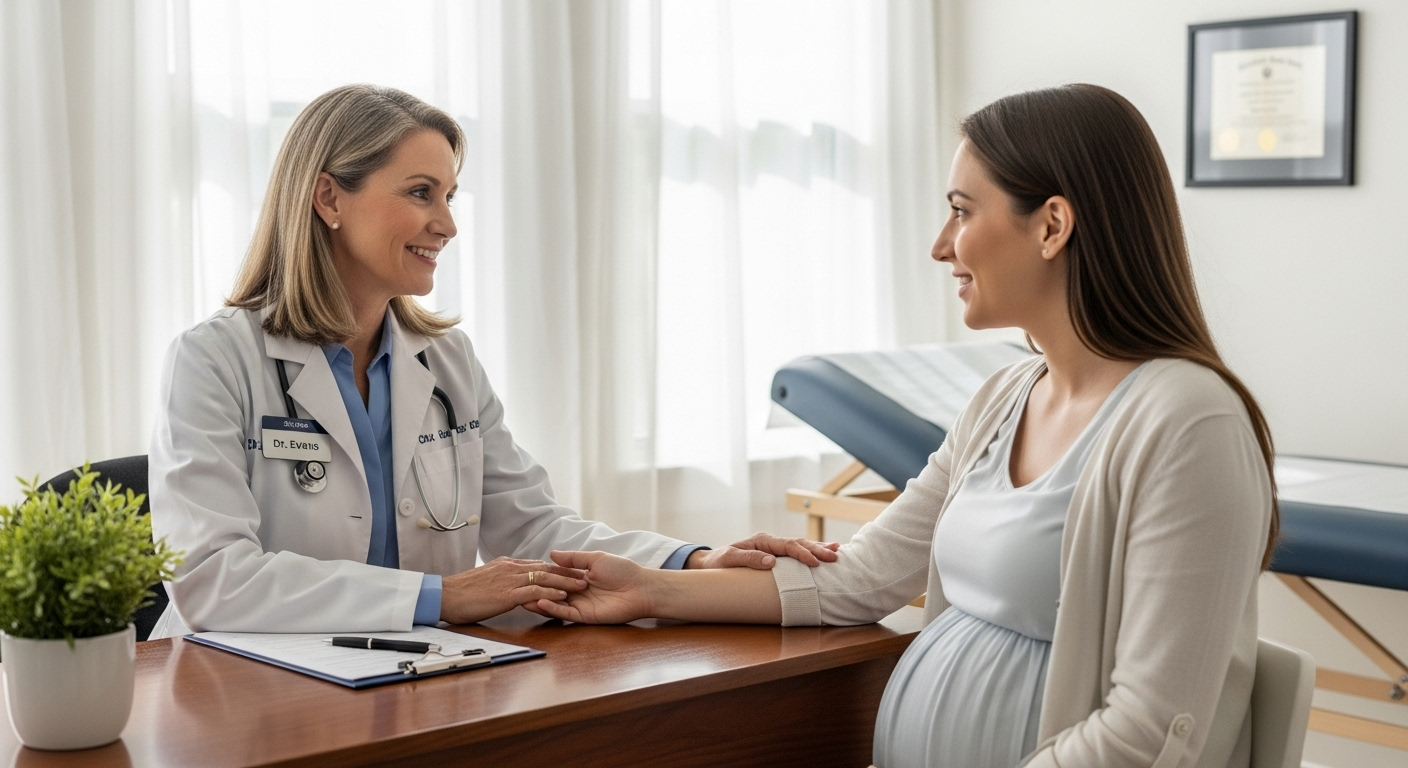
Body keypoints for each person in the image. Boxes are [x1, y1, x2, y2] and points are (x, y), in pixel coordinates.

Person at [528, 84, 1278, 768]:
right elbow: (858, 579)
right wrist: (651, 591)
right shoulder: (1005, 397)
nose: (940, 245)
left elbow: (1148, 731)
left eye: (962, 209)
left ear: (1052, 224)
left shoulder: (1188, 421)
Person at [148, 84, 836, 639]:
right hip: (245, 690)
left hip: (414, 674)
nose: (446, 224)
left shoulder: (444, 360)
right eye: (421, 193)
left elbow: (533, 525)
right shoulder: (214, 360)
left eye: (449, 196)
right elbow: (213, 578)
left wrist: (695, 560)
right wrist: (440, 596)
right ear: (329, 197)